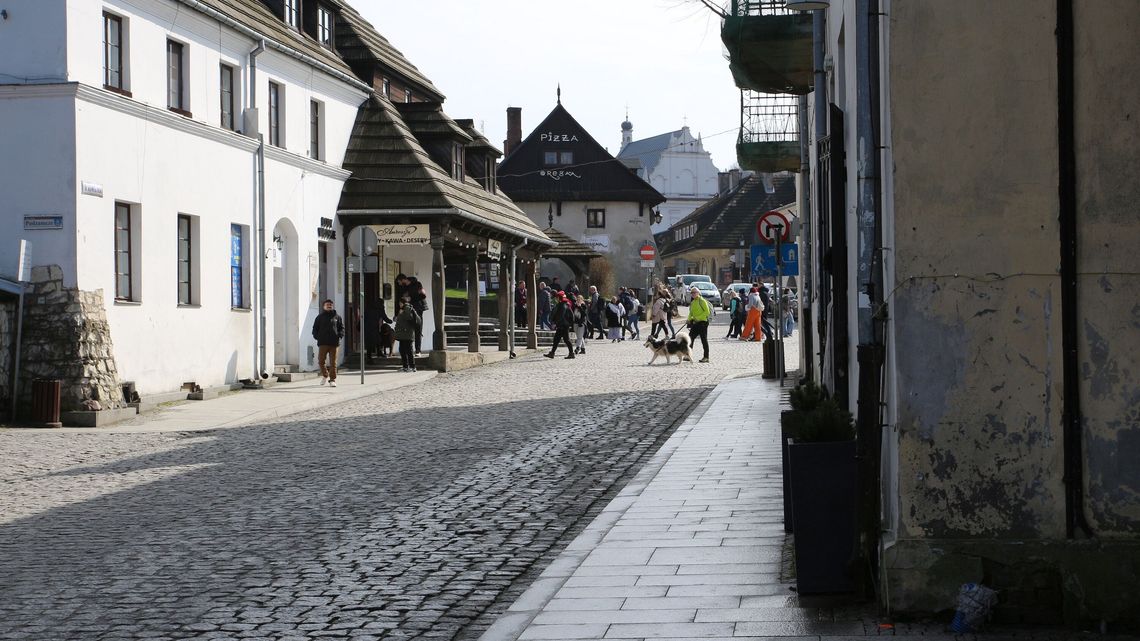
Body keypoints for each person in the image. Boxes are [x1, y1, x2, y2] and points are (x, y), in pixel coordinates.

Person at [311, 299, 344, 387]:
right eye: (327, 305)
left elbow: (341, 328)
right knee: (321, 361)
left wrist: (339, 335)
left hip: (334, 343)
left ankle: (332, 379)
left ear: (332, 306)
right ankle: (325, 375)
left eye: (330, 304)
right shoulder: (319, 317)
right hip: (323, 343)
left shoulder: (337, 317)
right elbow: (315, 329)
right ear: (324, 306)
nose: (329, 306)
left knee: (333, 362)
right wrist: (317, 337)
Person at [543, 291, 576, 359]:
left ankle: (571, 353)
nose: (556, 298)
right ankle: (552, 353)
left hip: (562, 325)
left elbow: (560, 315)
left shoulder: (562, 305)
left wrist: (555, 323)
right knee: (557, 339)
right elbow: (572, 316)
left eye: (557, 297)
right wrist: (569, 323)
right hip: (563, 325)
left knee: (565, 339)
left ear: (559, 298)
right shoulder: (567, 304)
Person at [686, 285, 712, 363]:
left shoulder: (702, 301)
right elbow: (691, 313)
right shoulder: (693, 302)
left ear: (698, 293)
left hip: (703, 323)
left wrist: (698, 317)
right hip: (695, 323)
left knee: (704, 340)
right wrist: (688, 319)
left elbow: (707, 312)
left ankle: (706, 357)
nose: (693, 294)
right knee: (690, 338)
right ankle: (688, 355)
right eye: (691, 293)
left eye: (694, 292)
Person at [394, 299, 421, 372]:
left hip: (407, 334)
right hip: (403, 334)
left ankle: (412, 367)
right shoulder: (403, 309)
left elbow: (408, 318)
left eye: (400, 303)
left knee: (409, 351)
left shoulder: (407, 308)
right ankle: (405, 366)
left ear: (403, 303)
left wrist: (402, 313)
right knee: (402, 350)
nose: (399, 305)